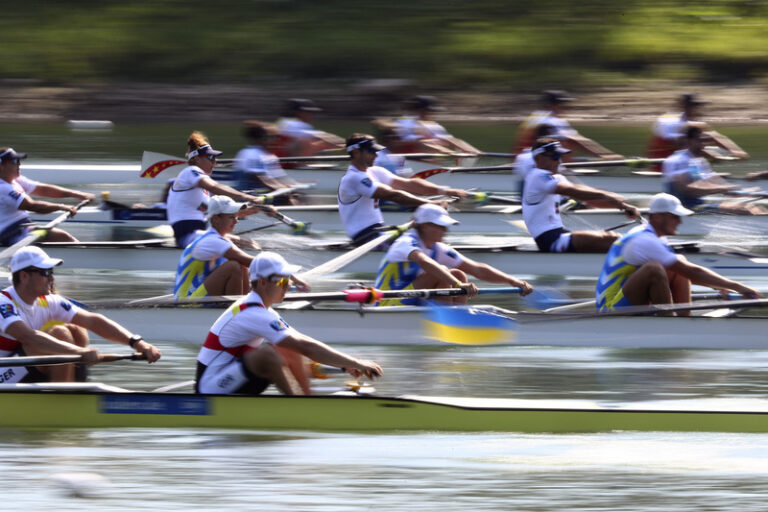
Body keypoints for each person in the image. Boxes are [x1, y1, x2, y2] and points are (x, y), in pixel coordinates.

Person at [194, 252, 382, 395]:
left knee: (287, 346)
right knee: (269, 353)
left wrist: (345, 364)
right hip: (210, 388)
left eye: (288, 280)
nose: (288, 286)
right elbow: (306, 346)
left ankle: (307, 398)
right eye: (282, 280)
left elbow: (300, 343)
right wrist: (357, 362)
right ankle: (297, 407)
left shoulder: (263, 310)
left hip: (232, 375)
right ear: (262, 282)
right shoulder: (251, 313)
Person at [0, 247, 161, 383]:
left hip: (20, 370)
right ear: (24, 276)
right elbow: (29, 337)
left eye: (52, 271)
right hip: (3, 374)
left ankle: (73, 391)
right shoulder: (4, 302)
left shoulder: (47, 301)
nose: (52, 278)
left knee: (76, 329)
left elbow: (93, 321)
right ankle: (62, 401)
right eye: (45, 272)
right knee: (59, 332)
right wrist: (79, 352)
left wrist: (138, 343)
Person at [596, 193, 760, 313]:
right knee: (655, 268)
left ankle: (682, 317)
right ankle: (670, 321)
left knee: (678, 262)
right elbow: (692, 272)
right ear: (658, 217)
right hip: (609, 308)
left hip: (627, 299)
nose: (680, 222)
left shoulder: (656, 237)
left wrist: (721, 287)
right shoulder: (644, 240)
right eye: (675, 217)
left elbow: (685, 271)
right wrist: (739, 287)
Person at [373, 204, 533, 306]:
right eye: (441, 226)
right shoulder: (406, 242)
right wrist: (457, 285)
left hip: (412, 298)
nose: (446, 231)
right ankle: (449, 319)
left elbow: (477, 269)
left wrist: (514, 282)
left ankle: (456, 314)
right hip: (387, 301)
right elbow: (424, 261)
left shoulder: (438, 248)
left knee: (458, 274)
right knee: (445, 274)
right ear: (425, 226)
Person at [338, 133, 468, 246]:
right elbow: (393, 195)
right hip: (364, 237)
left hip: (379, 231)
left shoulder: (375, 171)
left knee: (427, 240)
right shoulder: (353, 178)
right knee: (423, 242)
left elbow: (409, 184)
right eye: (370, 152)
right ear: (356, 153)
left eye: (376, 151)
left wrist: (445, 191)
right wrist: (430, 204)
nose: (375, 156)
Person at [174, 195, 309, 299]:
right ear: (216, 219)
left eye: (236, 217)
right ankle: (238, 311)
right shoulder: (212, 242)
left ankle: (246, 304)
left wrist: (281, 284)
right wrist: (294, 279)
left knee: (241, 266)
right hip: (187, 301)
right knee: (234, 266)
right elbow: (255, 262)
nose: (236, 221)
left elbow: (253, 269)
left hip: (199, 295)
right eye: (231, 217)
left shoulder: (219, 238)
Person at [523, 138, 640, 253]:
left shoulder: (556, 178)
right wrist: (606, 194)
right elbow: (571, 190)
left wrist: (623, 206)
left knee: (618, 240)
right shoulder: (536, 176)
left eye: (560, 156)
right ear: (538, 158)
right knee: (613, 239)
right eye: (554, 156)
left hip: (560, 234)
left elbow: (590, 199)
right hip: (550, 241)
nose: (559, 161)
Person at [166, 132, 275, 248]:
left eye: (215, 159)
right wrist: (249, 197)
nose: (215, 162)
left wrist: (260, 209)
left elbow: (228, 212)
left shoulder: (202, 192)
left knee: (250, 243)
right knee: (246, 244)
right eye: (211, 158)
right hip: (187, 236)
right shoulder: (190, 172)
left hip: (198, 235)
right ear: (196, 159)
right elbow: (215, 187)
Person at [0, 148, 94, 246]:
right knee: (62, 236)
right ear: (1, 165)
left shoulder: (15, 180)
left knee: (59, 236)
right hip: (9, 235)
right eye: (14, 161)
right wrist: (61, 207)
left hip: (21, 228)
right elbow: (31, 206)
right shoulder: (2, 188)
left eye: (19, 161)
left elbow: (43, 189)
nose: (19, 164)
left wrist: (76, 194)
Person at [662, 126, 766, 215]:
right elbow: (687, 189)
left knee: (754, 207)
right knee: (743, 209)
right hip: (682, 209)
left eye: (705, 141)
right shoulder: (677, 160)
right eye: (700, 141)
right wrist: (725, 188)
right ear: (689, 141)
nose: (704, 145)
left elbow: (716, 182)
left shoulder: (700, 162)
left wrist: (744, 191)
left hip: (698, 205)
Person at [647, 93, 748, 172]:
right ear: (685, 107)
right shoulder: (670, 121)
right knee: (699, 147)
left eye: (698, 107)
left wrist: (736, 151)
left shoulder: (690, 123)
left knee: (703, 141)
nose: (698, 110)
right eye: (694, 107)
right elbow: (681, 146)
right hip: (663, 166)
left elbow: (713, 136)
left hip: (680, 163)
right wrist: (708, 154)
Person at [513, 90, 623, 160]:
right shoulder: (548, 120)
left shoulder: (535, 117)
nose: (566, 108)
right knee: (567, 142)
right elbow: (576, 140)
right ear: (549, 105)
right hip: (537, 163)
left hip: (524, 161)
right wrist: (606, 156)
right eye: (562, 105)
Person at [233, 120, 305, 205]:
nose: (276, 141)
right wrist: (283, 190)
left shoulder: (269, 156)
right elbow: (260, 178)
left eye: (277, 137)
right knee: (288, 198)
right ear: (259, 139)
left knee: (300, 196)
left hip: (266, 196)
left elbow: (280, 178)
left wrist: (294, 186)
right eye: (271, 138)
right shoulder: (251, 154)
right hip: (251, 200)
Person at [393, 95, 481, 155]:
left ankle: (478, 154)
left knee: (455, 140)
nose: (431, 114)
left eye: (432, 111)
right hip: (404, 157)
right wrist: (432, 142)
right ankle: (451, 155)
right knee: (421, 143)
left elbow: (448, 139)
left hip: (425, 156)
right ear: (417, 110)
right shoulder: (404, 121)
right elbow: (404, 140)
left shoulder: (432, 124)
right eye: (427, 111)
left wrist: (471, 150)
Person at [273, 98, 344, 161]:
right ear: (296, 112)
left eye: (312, 113)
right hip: (288, 162)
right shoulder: (291, 124)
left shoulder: (281, 122)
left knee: (318, 143)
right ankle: (305, 167)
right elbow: (322, 136)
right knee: (309, 142)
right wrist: (346, 145)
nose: (312, 115)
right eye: (308, 112)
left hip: (285, 159)